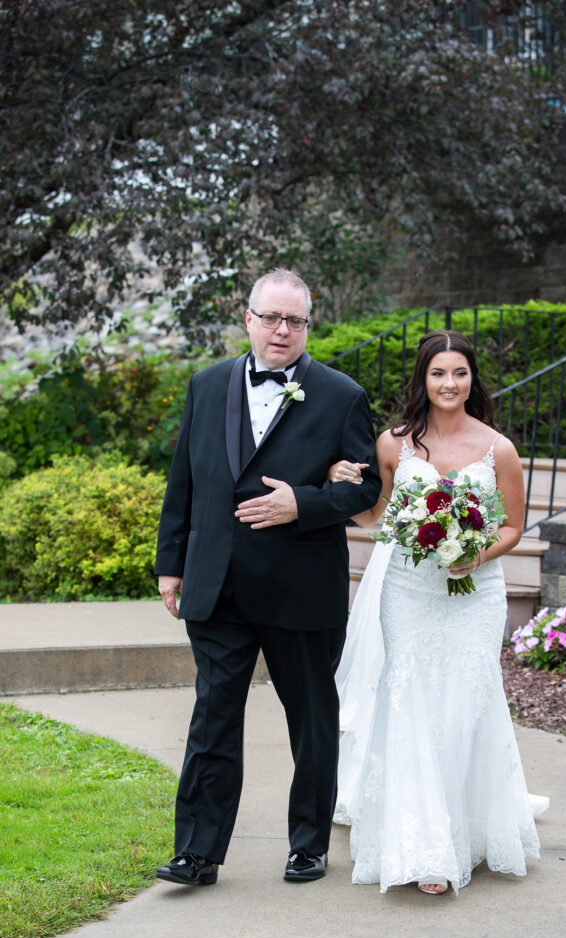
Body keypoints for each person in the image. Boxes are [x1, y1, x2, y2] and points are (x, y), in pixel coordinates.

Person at [154, 267, 382, 888]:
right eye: (272, 317)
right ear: (248, 318)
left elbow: (367, 488)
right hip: (216, 583)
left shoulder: (340, 395)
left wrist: (301, 504)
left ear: (308, 325)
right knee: (212, 719)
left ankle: (308, 844)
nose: (283, 330)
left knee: (310, 720)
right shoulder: (206, 386)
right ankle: (197, 852)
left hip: (299, 586)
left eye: (296, 320)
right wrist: (170, 565)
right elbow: (185, 482)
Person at [328, 330, 546, 895]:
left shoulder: (498, 448)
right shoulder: (393, 444)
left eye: (460, 373)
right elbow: (375, 518)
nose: (449, 384)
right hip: (407, 590)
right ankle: (422, 845)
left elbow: (514, 527)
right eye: (438, 374)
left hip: (476, 596)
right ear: (422, 379)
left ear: (473, 379)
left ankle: (464, 834)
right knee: (411, 701)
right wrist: (341, 485)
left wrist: (476, 553)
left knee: (465, 705)